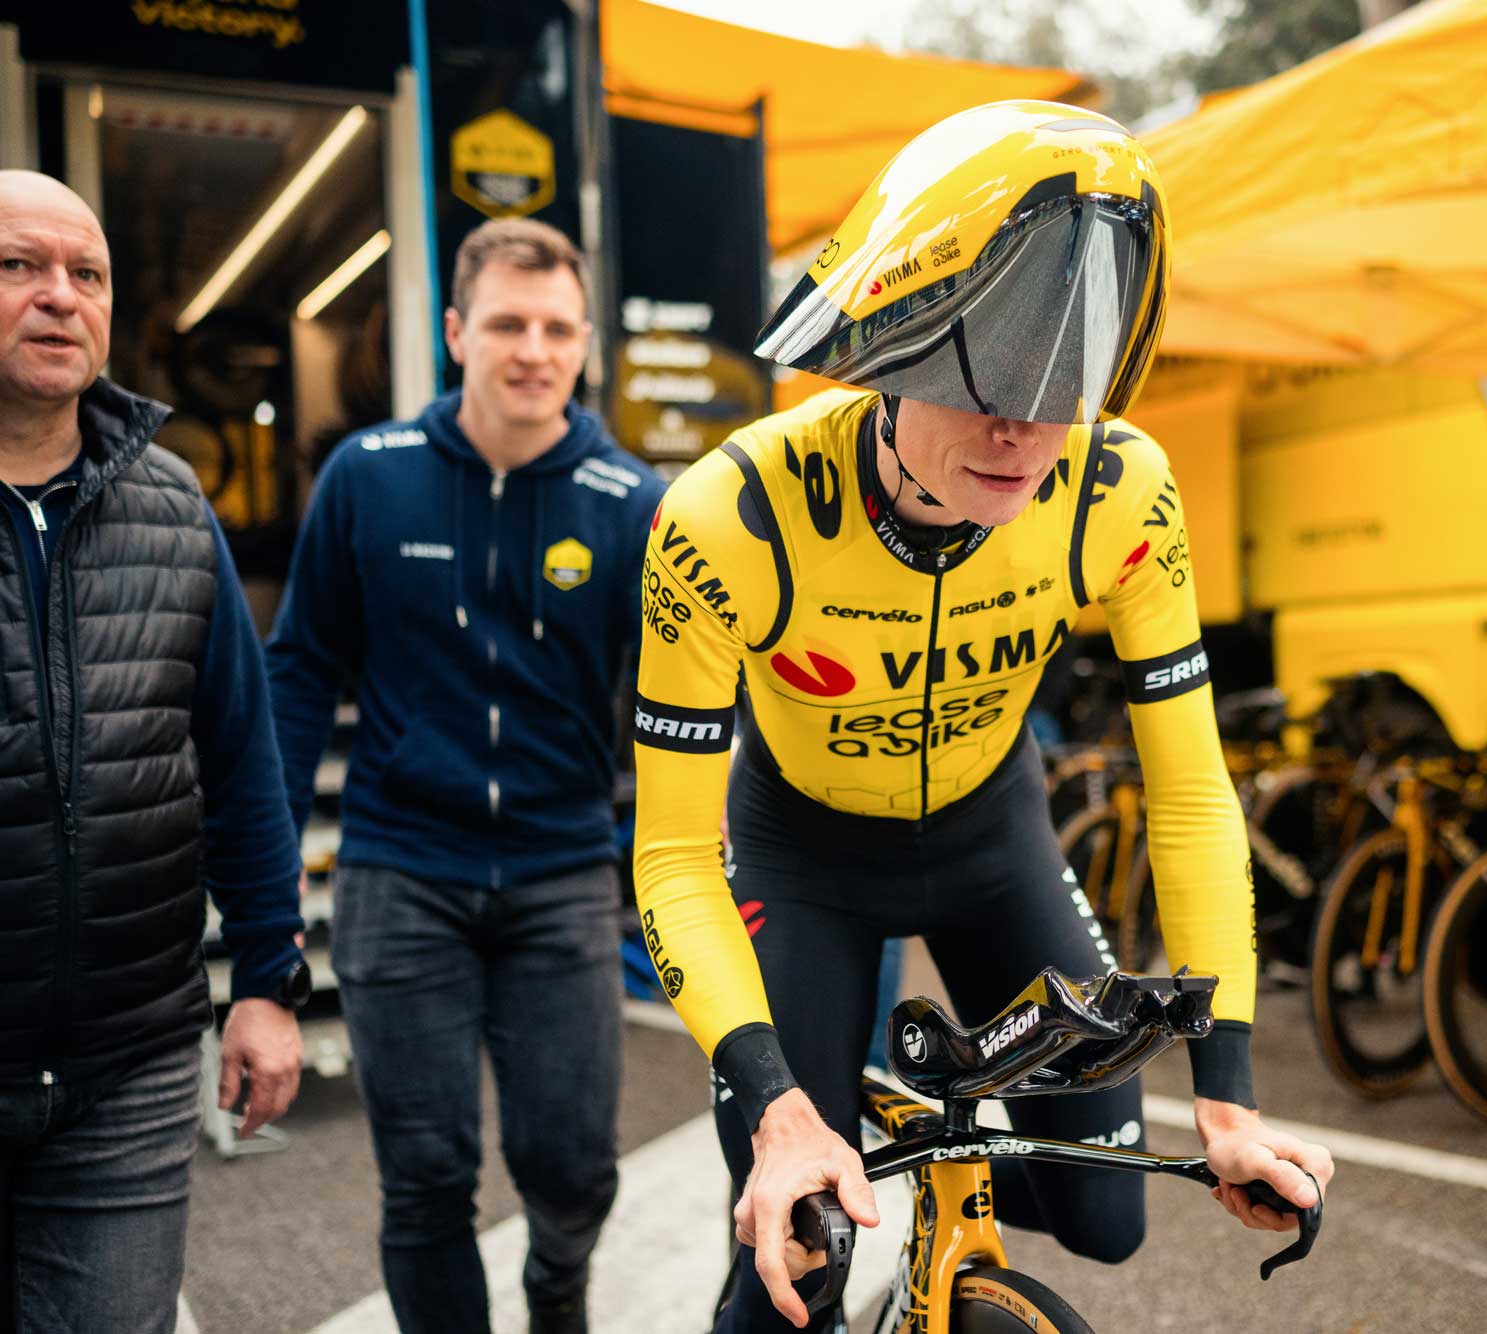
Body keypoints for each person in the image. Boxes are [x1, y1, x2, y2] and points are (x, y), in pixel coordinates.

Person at [629, 102, 1335, 1332]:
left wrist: (1226, 1098)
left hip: (986, 835)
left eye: (1060, 391)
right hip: (802, 861)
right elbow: (672, 856)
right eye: (986, 386)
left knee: (1110, 1218)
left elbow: (1188, 793)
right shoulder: (729, 516)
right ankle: (836, 1166)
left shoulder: (1120, 489)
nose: (1022, 435)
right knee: (791, 1267)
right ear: (891, 355)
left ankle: (927, 1166)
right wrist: (784, 1116)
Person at [265, 218, 666, 1334]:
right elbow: (298, 674)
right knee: (428, 1172)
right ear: (455, 332)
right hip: (403, 871)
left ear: (585, 343)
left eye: (554, 328)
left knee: (572, 1159)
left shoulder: (631, 502)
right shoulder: (368, 477)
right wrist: (263, 884)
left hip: (560, 870)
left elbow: (693, 705)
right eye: (505, 324)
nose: (531, 349)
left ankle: (555, 1289)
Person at [0, 169, 307, 1331]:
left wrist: (269, 981)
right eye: (18, 266)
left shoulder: (174, 507)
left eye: (86, 274)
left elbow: (240, 758)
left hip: (127, 1058)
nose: (57, 297)